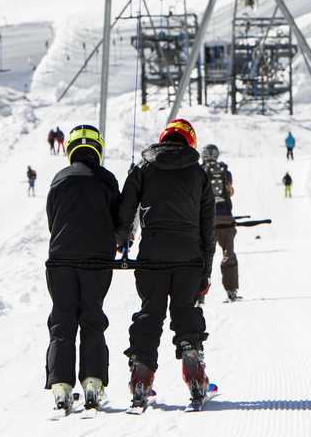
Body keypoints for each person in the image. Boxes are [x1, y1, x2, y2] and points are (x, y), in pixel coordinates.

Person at [116, 118, 215, 409]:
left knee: (151, 313)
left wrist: (124, 241)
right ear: (190, 142)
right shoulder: (200, 174)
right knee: (185, 312)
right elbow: (207, 229)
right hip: (189, 255)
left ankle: (140, 379)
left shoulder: (144, 169)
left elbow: (125, 213)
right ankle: (195, 372)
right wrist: (205, 273)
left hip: (152, 254)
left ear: (163, 139)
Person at [44, 124, 120, 414]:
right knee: (92, 317)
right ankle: (92, 382)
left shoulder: (59, 179)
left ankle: (61, 386)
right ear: (97, 149)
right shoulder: (107, 179)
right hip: (97, 260)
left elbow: (53, 221)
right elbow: (119, 220)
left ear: (70, 149)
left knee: (62, 320)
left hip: (60, 260)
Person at [201, 144, 239, 303]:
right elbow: (230, 193)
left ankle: (199, 292)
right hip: (225, 220)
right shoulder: (225, 172)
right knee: (228, 255)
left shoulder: (198, 171)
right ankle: (231, 291)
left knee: (202, 256)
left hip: (204, 221)